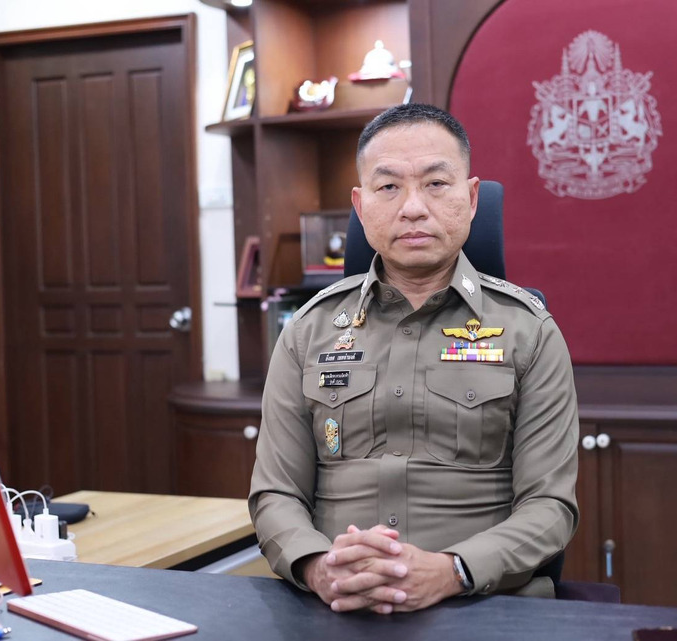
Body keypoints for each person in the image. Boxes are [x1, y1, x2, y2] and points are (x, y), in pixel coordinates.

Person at [248, 103, 579, 615]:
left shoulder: (529, 332)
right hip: (336, 609)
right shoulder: (308, 332)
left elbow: (550, 506)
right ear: (360, 205)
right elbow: (276, 493)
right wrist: (318, 568)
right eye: (388, 187)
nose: (413, 208)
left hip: (483, 607)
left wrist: (452, 571)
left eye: (435, 184)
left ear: (472, 198)